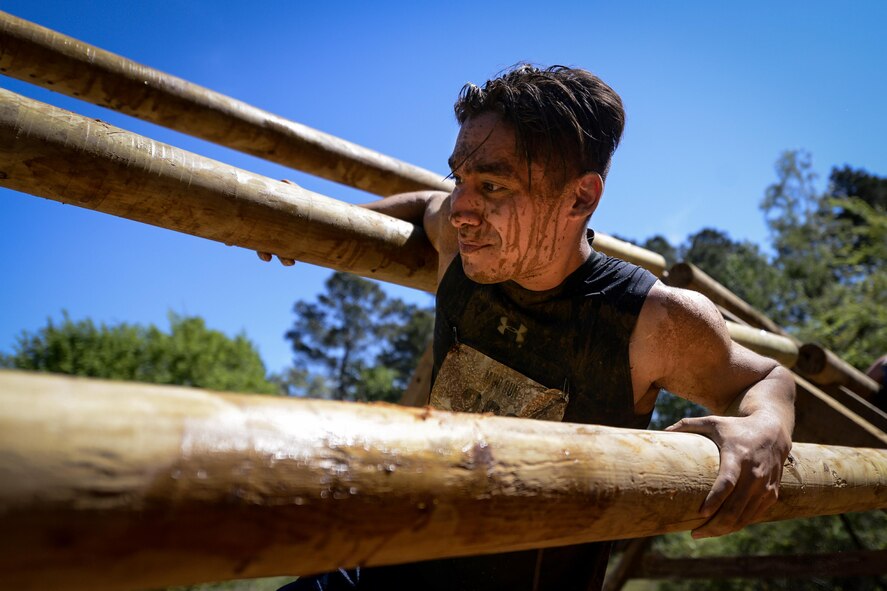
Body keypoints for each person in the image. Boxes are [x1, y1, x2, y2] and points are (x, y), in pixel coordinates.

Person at [267, 64, 796, 591]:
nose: (462, 210)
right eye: (460, 178)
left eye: (493, 185)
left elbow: (766, 378)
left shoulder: (646, 320)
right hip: (383, 563)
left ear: (580, 198)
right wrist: (322, 213)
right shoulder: (458, 244)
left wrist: (767, 429)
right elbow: (425, 205)